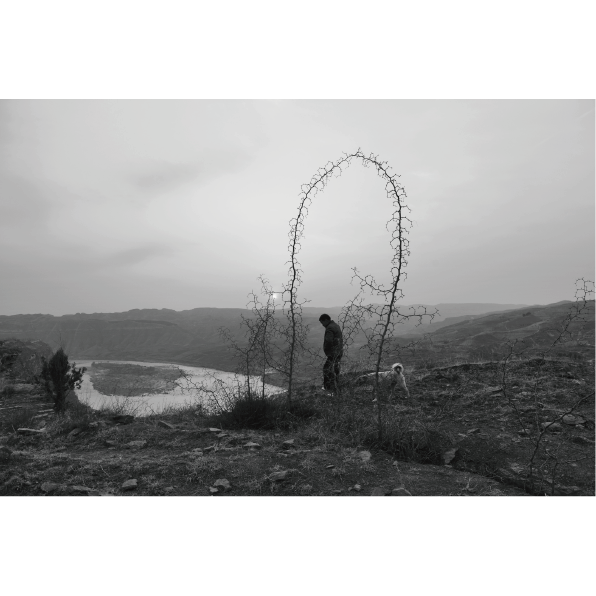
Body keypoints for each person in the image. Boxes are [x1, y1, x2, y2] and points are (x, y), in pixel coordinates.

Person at [319, 314, 343, 392]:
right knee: (335, 369)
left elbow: (329, 341)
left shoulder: (330, 328)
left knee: (327, 369)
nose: (322, 325)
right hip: (339, 351)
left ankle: (328, 387)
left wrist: (328, 350)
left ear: (326, 320)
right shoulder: (336, 325)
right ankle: (337, 386)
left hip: (333, 353)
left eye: (322, 323)